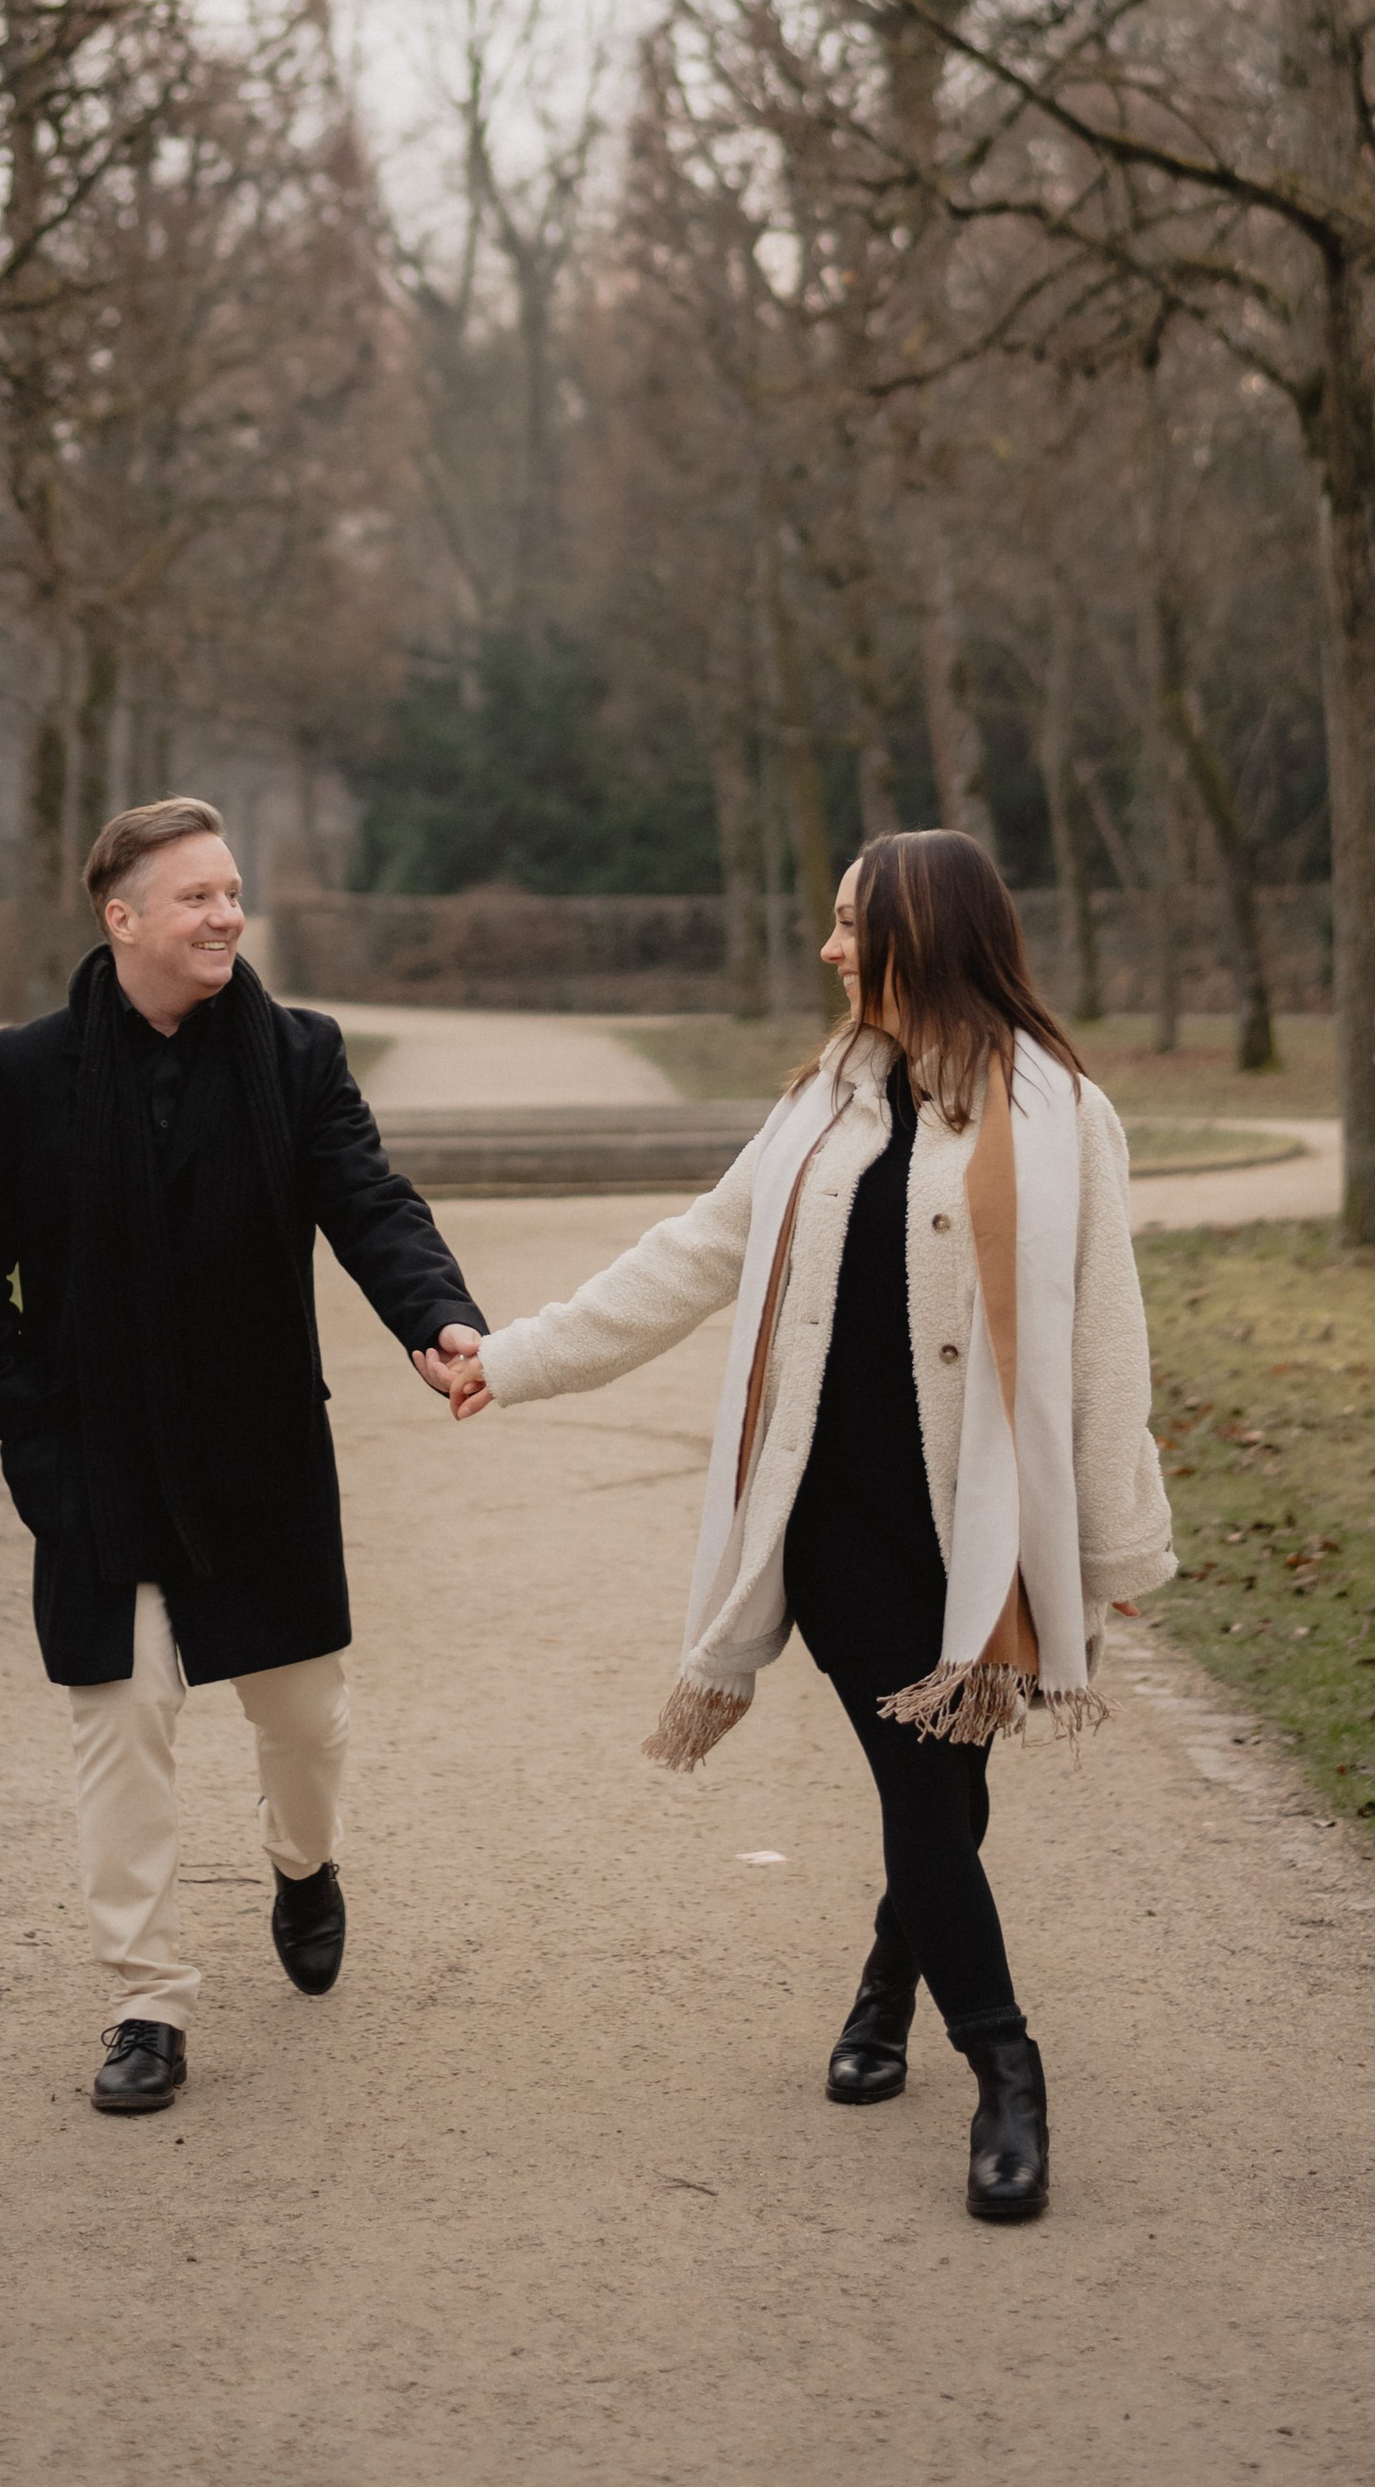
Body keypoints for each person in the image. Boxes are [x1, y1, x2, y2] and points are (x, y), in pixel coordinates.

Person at [447, 828, 1172, 2224]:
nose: (831, 949)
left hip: (982, 1519)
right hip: (833, 1509)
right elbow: (694, 1255)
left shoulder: (1062, 1113)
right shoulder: (820, 1109)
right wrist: (516, 1357)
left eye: (852, 925)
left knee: (950, 1793)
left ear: (922, 931)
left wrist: (1109, 1547)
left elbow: (1106, 1342)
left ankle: (888, 1986)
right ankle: (1008, 2074)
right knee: (921, 1787)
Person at [0, 796, 487, 2114]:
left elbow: (369, 1201)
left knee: (302, 1717)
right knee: (121, 1722)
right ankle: (145, 2001)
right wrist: (18, 1414)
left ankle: (304, 1863)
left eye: (234, 893)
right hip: (96, 1464)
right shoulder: (24, 1071)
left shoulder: (296, 1054)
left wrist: (437, 1318)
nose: (228, 915)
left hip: (259, 1456)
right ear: (123, 921)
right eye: (198, 897)